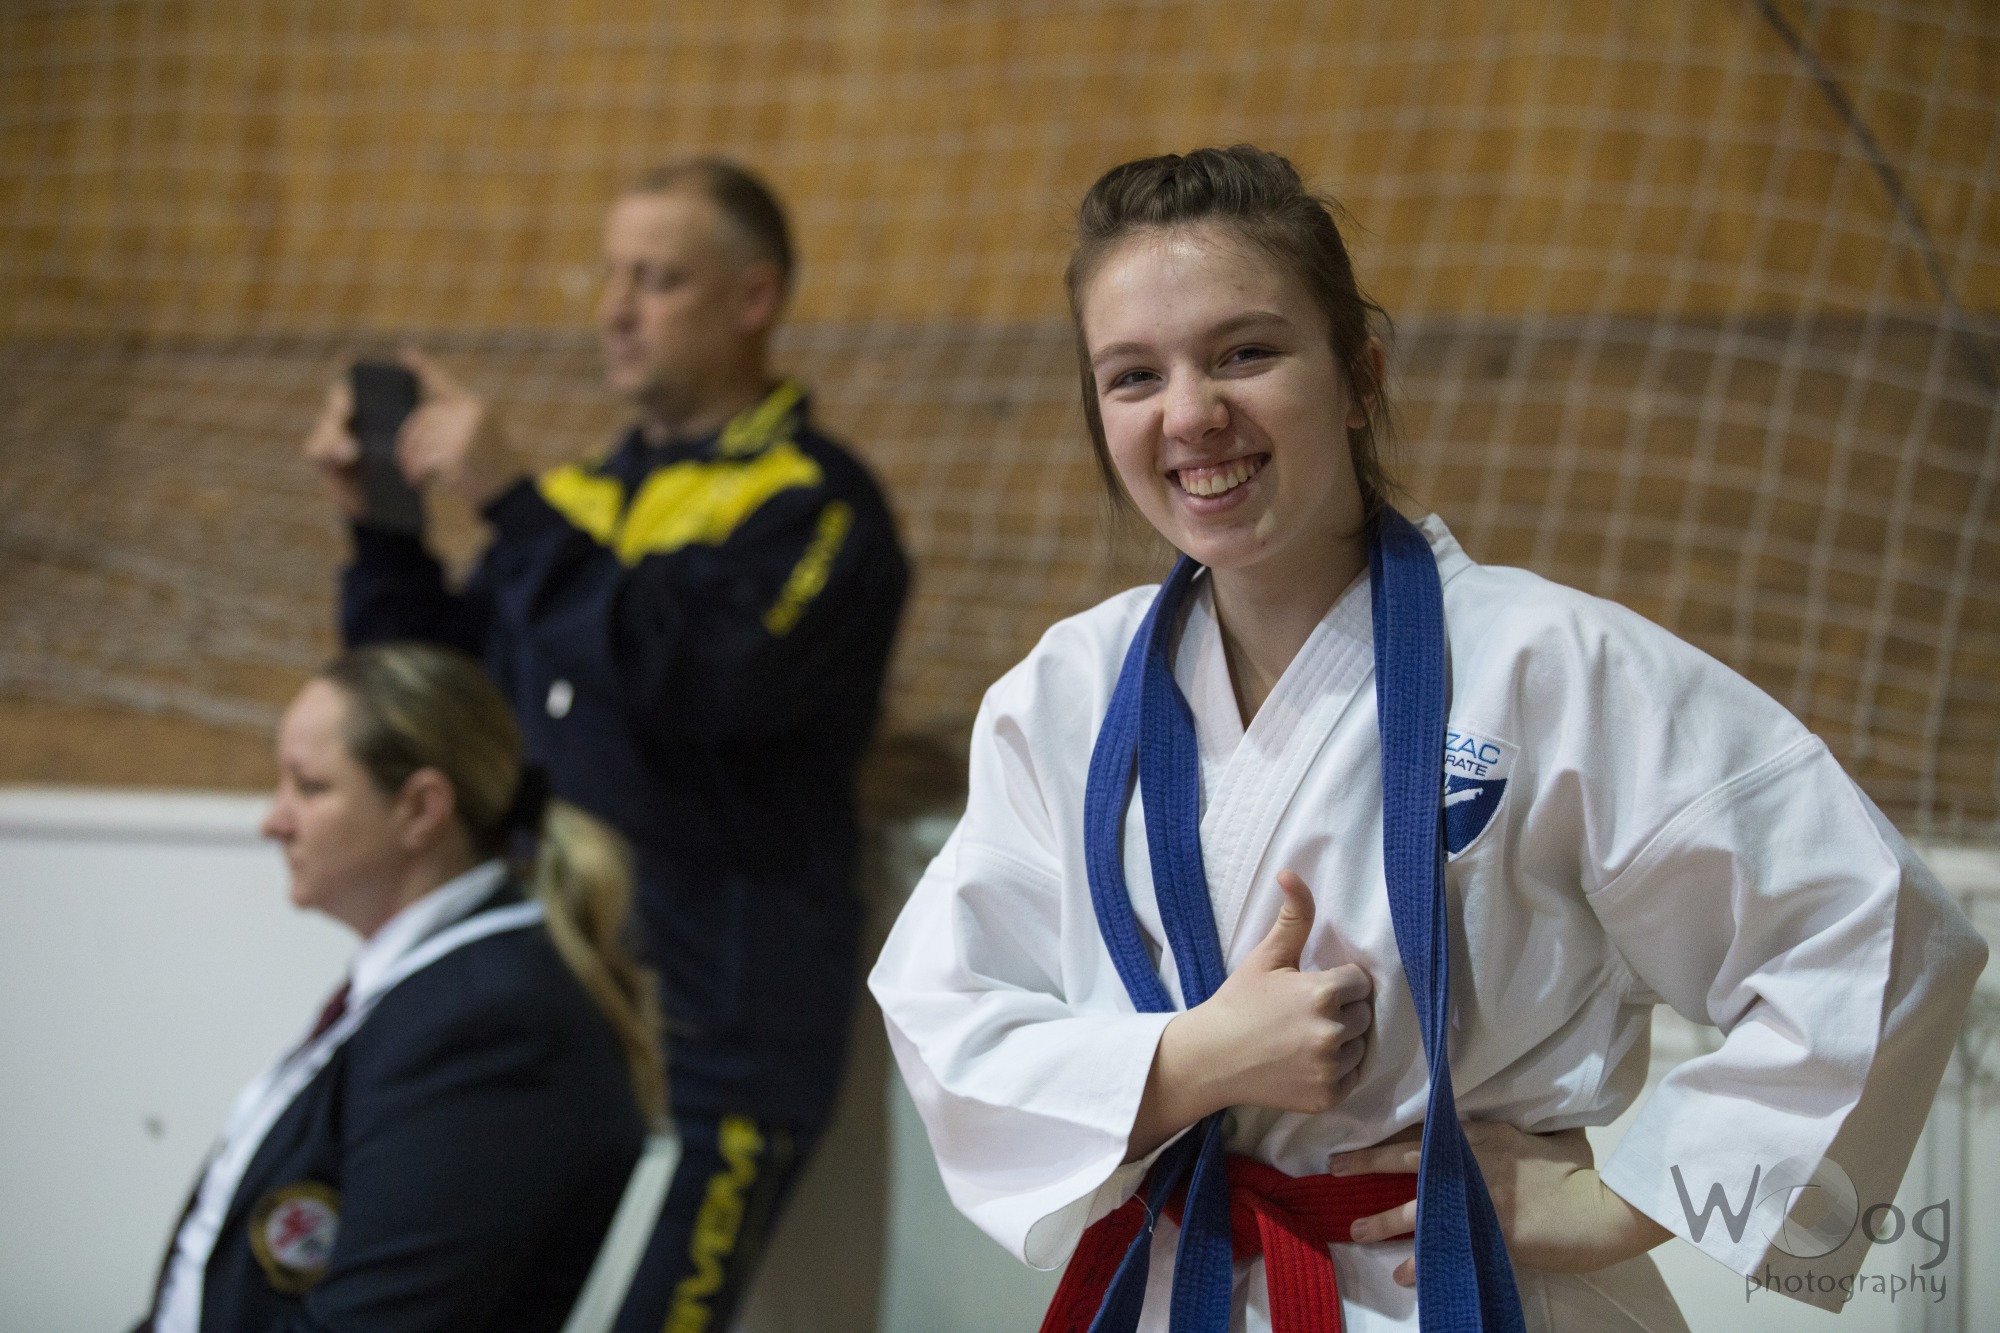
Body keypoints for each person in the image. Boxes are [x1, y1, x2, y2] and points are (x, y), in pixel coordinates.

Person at [869, 145, 1988, 1333]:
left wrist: (1623, 1203)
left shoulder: (1544, 664)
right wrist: (1197, 1062)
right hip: (1178, 1285)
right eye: (1132, 375)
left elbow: (1872, 928)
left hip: (1464, 1288)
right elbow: (944, 1014)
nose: (1190, 414)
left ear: (1358, 377)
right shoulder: (1066, 690)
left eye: (1245, 353)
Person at [302, 159, 908, 1330]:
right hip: (539, 1012)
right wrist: (382, 538)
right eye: (610, 275)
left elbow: (691, 681)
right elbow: (436, 709)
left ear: (752, 298)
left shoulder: (819, 505)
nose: (615, 309)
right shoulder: (570, 503)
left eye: (657, 279)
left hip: (717, 1040)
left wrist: (511, 505)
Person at [137, 642, 661, 1333]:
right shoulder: (443, 983)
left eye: (308, 786)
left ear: (419, 808)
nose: (274, 820)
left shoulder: (492, 1020)